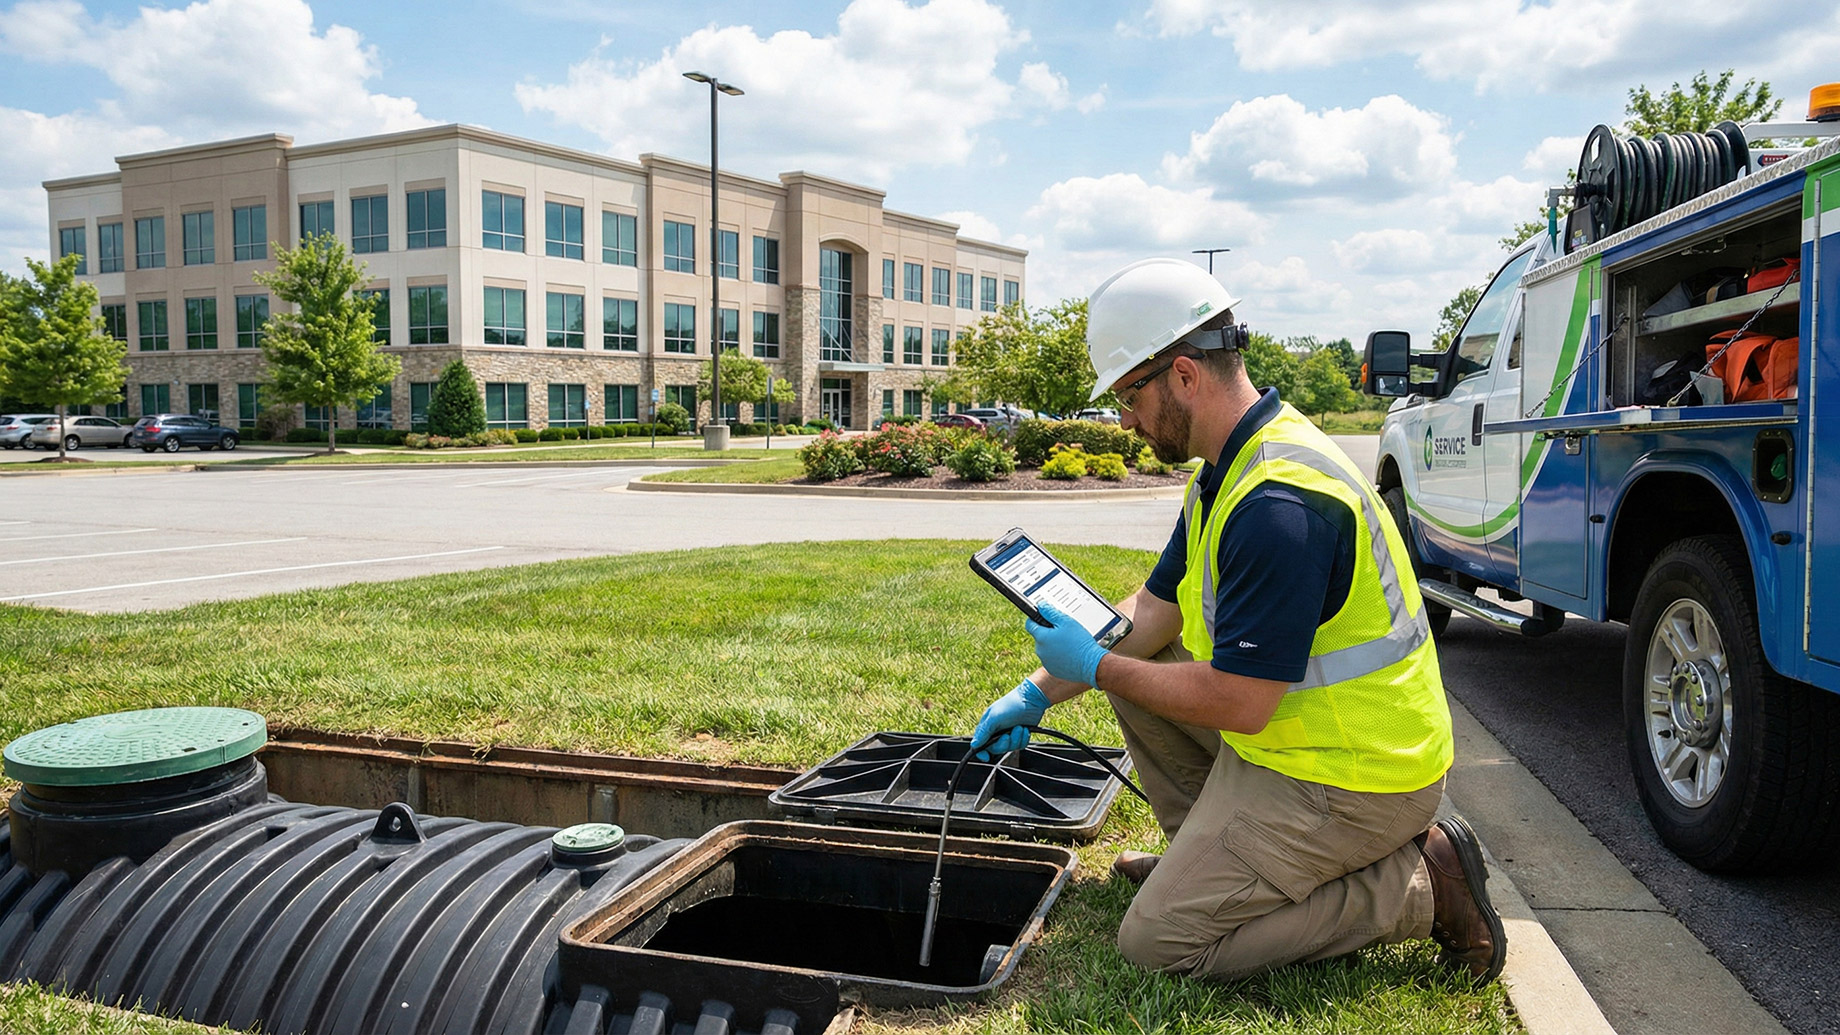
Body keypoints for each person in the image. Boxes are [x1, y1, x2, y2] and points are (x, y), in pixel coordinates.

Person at [968, 257, 1505, 984]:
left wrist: (1091, 667)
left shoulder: (1277, 505)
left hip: (1358, 777)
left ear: (1184, 375)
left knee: (1156, 943)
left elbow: (1242, 703)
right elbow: (1151, 615)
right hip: (1305, 750)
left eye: (1129, 395)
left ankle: (1425, 888)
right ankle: (1209, 863)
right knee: (1137, 661)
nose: (1123, 419)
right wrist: (1037, 691)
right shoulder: (1230, 468)